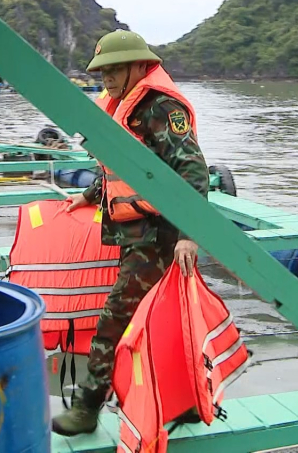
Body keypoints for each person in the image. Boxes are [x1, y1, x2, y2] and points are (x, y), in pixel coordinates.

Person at [51, 29, 210, 435]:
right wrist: (88, 195)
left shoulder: (160, 108)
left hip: (160, 233)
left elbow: (193, 170)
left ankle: (88, 407)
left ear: (140, 66)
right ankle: (186, 403)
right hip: (135, 230)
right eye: (102, 70)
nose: (106, 77)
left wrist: (190, 234)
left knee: (115, 316)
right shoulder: (122, 107)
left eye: (115, 69)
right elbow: (121, 168)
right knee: (158, 317)